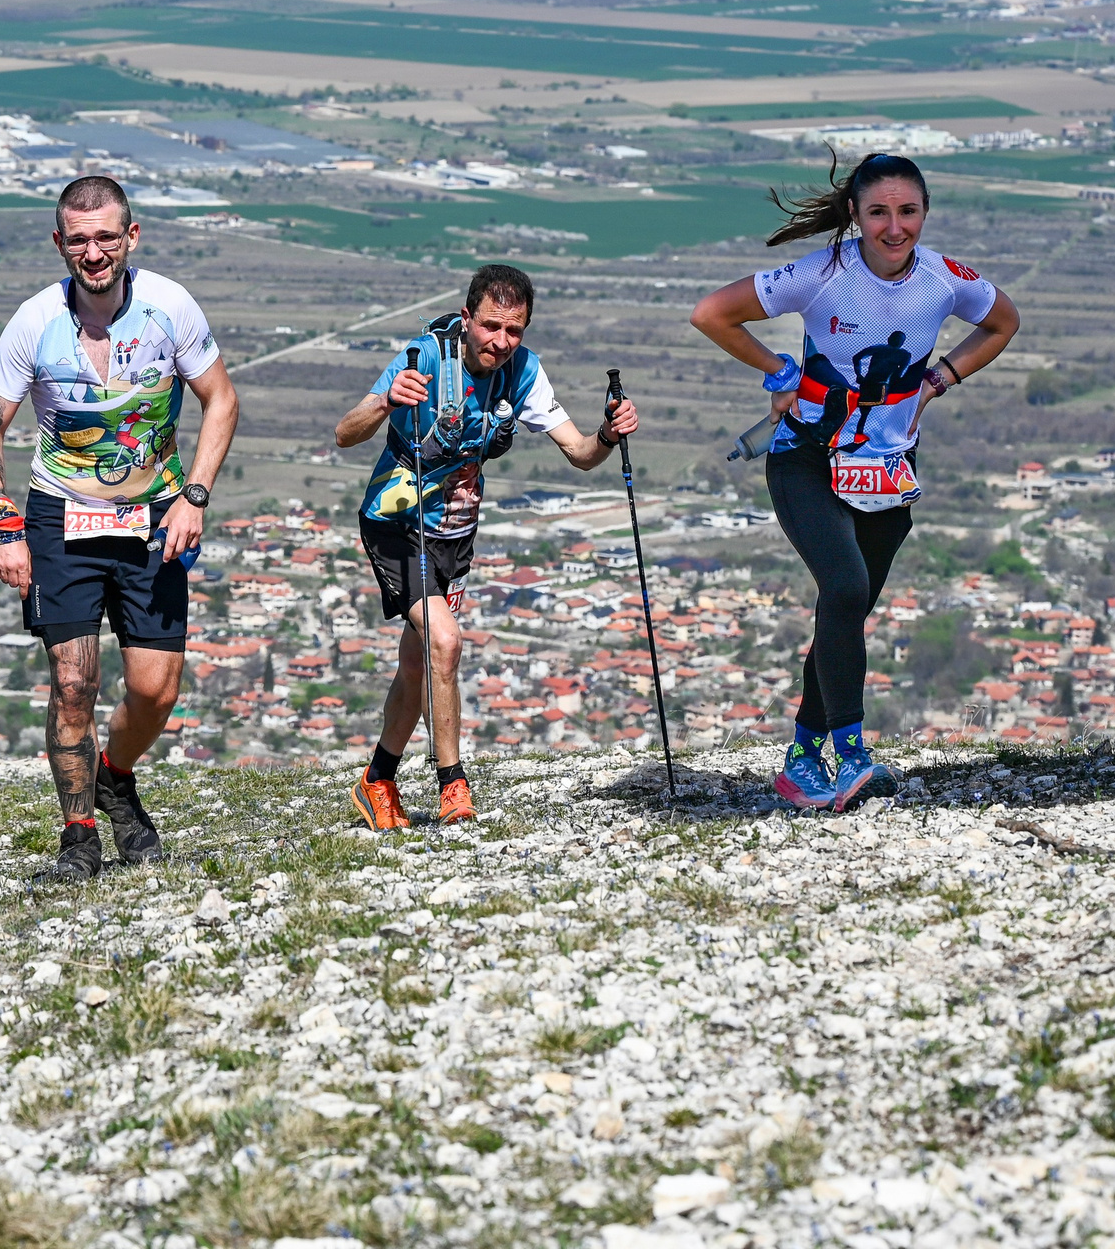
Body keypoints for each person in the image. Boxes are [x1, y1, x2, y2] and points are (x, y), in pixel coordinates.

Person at [689, 152, 1020, 812]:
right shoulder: (822, 274)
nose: (894, 227)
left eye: (907, 212)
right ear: (855, 215)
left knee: (849, 609)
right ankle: (851, 755)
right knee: (844, 587)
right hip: (806, 456)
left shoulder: (945, 277)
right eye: (879, 213)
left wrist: (942, 377)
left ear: (924, 213)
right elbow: (711, 313)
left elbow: (1003, 322)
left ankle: (801, 761)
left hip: (890, 466)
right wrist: (779, 370)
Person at [0, 174, 240, 884]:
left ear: (131, 238)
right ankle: (79, 835)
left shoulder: (169, 307)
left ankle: (116, 776)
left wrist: (196, 497)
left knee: (155, 690)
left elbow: (221, 400)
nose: (94, 252)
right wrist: (2, 520)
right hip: (61, 513)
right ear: (60, 244)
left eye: (106, 237)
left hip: (154, 513)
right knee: (73, 683)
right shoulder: (34, 321)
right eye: (79, 240)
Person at [333, 263, 639, 831]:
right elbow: (344, 432)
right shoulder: (423, 358)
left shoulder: (524, 372)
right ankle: (454, 787)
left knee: (417, 665)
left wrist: (608, 435)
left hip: (455, 533)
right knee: (445, 645)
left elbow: (578, 452)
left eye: (515, 330)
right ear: (468, 318)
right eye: (491, 327)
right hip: (396, 523)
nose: (501, 342)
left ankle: (377, 780)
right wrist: (383, 403)